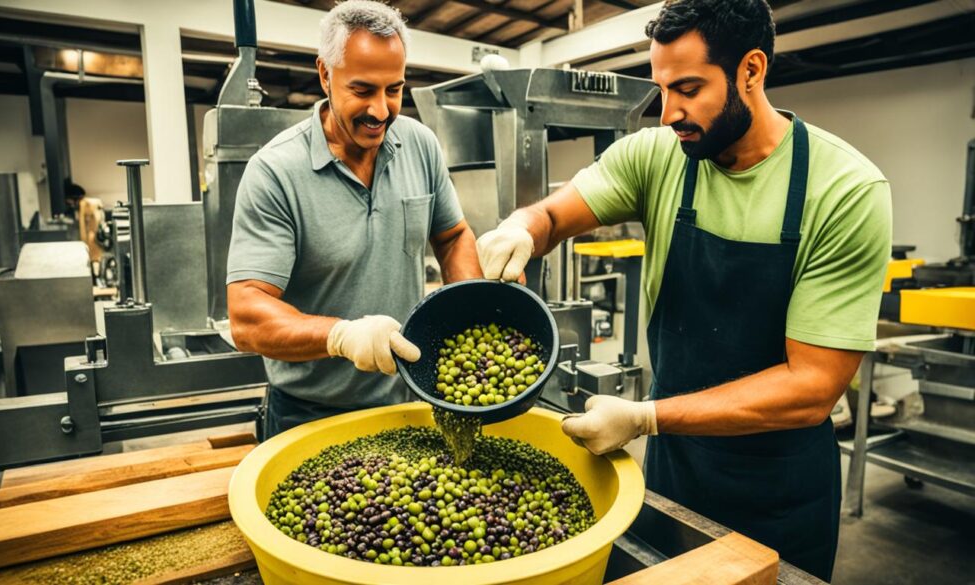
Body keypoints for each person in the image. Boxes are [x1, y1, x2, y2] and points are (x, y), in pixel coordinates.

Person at [476, 0, 891, 579]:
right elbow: (551, 214)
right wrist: (522, 227)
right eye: (662, 89)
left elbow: (813, 386)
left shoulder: (845, 189)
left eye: (689, 88)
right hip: (675, 470)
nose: (668, 113)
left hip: (780, 488)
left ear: (751, 70)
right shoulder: (658, 156)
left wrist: (645, 417)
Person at [227, 1, 482, 439]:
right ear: (325, 74)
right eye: (363, 91)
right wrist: (340, 336)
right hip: (309, 416)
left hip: (409, 399)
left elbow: (453, 235)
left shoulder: (419, 145)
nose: (381, 111)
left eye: (394, 90)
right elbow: (246, 315)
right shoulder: (276, 171)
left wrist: (469, 317)